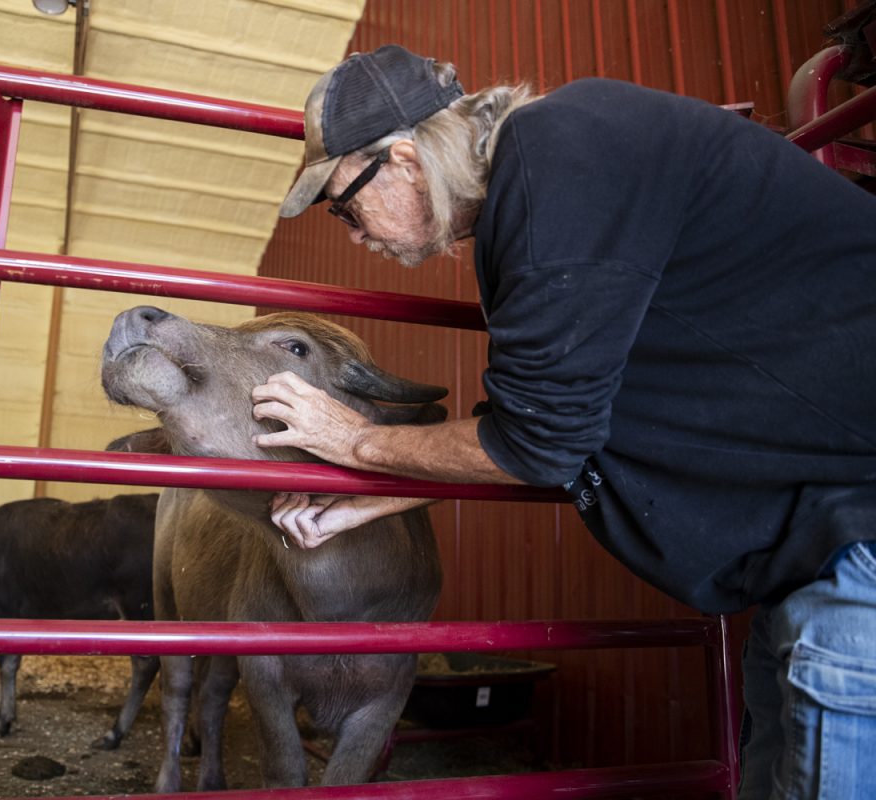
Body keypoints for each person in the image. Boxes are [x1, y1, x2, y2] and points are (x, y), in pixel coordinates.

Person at [250, 44, 876, 798]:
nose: (355, 234)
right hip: (814, 545)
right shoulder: (553, 177)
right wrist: (376, 489)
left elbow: (539, 441)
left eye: (346, 206)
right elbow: (554, 409)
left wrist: (350, 439)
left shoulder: (556, 157)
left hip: (858, 547)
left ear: (405, 159)